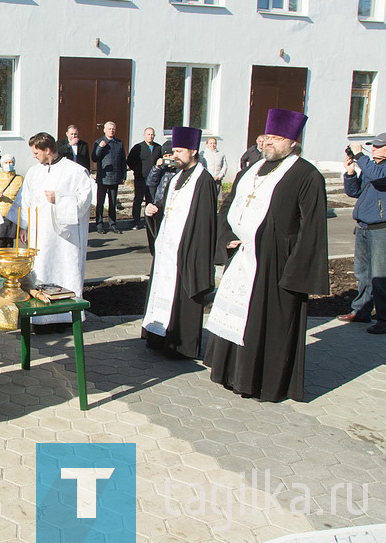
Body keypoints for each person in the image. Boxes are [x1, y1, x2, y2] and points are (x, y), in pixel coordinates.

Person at [205, 109, 329, 402]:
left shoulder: (306, 175)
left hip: (278, 265)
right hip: (245, 257)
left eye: (276, 138)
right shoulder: (252, 169)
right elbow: (229, 205)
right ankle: (230, 374)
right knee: (239, 319)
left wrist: (295, 275)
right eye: (267, 137)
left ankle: (262, 384)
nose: (268, 143)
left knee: (267, 326)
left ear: (293, 142)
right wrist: (227, 238)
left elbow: (312, 228)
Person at [141, 126, 217, 358]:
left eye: (180, 151)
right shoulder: (176, 178)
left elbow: (204, 222)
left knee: (180, 296)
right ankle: (158, 338)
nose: (174, 155)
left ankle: (181, 346)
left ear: (193, 151)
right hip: (168, 246)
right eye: (173, 151)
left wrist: (192, 252)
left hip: (186, 249)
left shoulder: (203, 181)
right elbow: (167, 207)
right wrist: (154, 210)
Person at [9, 132, 94, 333]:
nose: (34, 156)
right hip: (40, 237)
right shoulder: (33, 172)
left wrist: (61, 198)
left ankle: (66, 317)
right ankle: (40, 318)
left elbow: (85, 200)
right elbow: (25, 201)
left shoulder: (75, 171)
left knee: (66, 271)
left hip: (66, 239)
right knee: (41, 270)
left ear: (48, 150)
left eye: (36, 152)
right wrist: (23, 226)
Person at [340, 134, 386, 334]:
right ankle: (361, 311)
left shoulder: (378, 169)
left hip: (381, 230)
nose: (374, 149)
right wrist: (350, 173)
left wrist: (360, 156)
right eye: (372, 146)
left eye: (379, 146)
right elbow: (355, 192)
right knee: (363, 273)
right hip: (364, 227)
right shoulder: (372, 166)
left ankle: (384, 320)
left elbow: (376, 176)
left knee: (380, 276)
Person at [93, 121, 126, 234]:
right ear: (104, 130)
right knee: (100, 202)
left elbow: (123, 160)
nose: (111, 130)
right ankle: (99, 224)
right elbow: (94, 158)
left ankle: (112, 224)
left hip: (115, 177)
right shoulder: (99, 142)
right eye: (109, 129)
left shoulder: (119, 143)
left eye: (113, 129)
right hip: (103, 177)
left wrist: (123, 176)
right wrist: (100, 148)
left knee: (112, 203)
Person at [127, 127, 162, 230]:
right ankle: (136, 221)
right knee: (138, 199)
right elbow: (129, 161)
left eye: (152, 135)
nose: (150, 136)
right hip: (140, 178)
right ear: (144, 135)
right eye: (148, 134)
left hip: (153, 180)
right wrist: (137, 170)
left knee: (150, 200)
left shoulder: (158, 148)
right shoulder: (138, 147)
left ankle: (149, 221)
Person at [0, 155, 24, 248]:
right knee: (0, 238)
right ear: (1, 164)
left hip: (13, 213)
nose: (8, 164)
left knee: (10, 240)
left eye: (10, 162)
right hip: (0, 213)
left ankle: (9, 261)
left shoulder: (19, 179)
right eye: (6, 162)